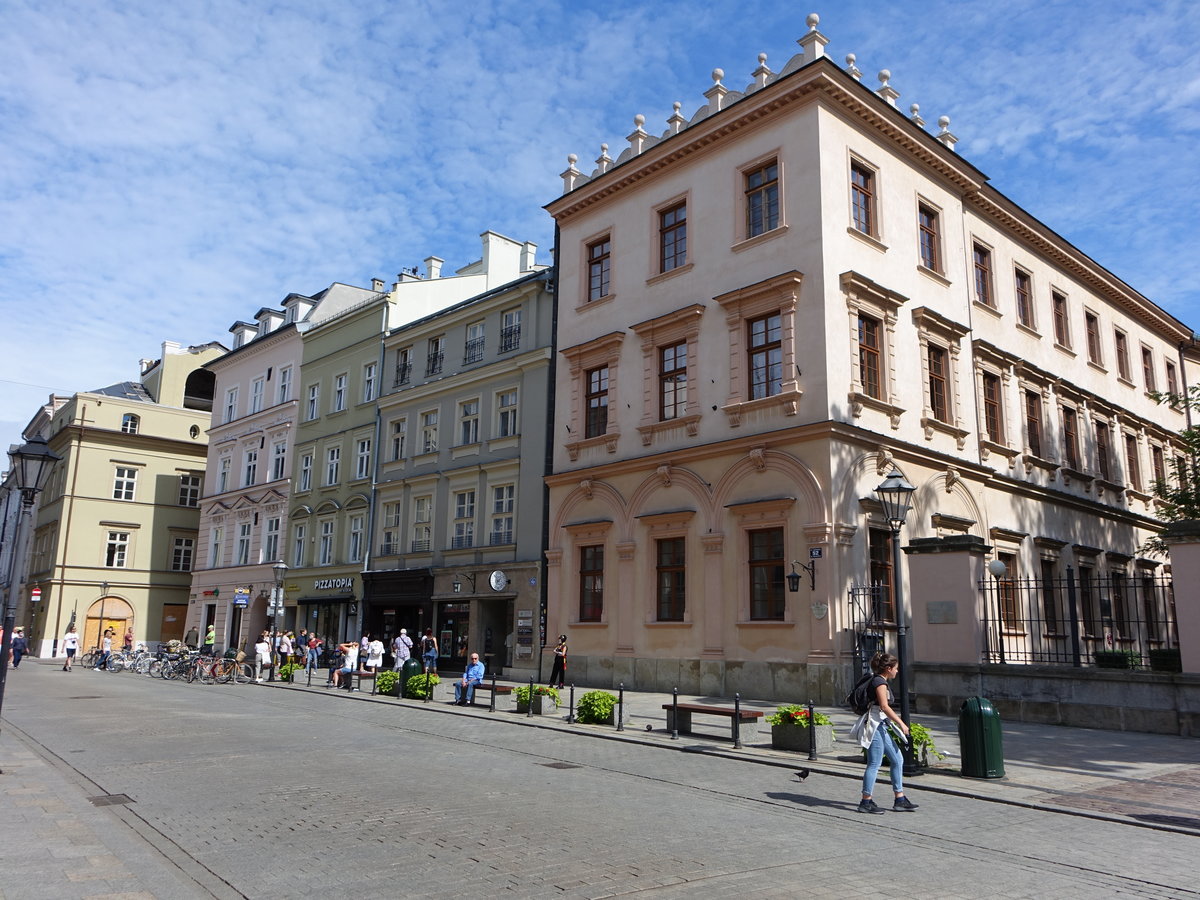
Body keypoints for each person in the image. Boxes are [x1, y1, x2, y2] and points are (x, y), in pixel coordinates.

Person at [851, 651, 919, 814]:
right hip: (874, 726)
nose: (897, 671)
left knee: (897, 759)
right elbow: (884, 706)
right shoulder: (879, 682)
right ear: (888, 668)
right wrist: (901, 723)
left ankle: (900, 799)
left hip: (880, 724)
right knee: (874, 763)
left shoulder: (879, 680)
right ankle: (865, 801)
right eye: (895, 668)